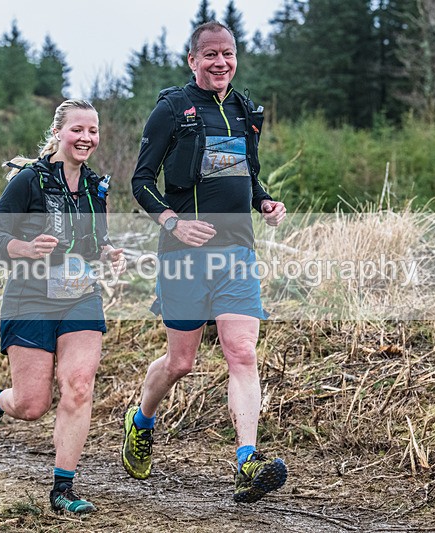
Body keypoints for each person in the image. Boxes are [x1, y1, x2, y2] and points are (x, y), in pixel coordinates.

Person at [122, 21, 288, 504]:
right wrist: (173, 223)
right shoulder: (172, 109)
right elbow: (141, 182)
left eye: (227, 54)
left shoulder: (245, 110)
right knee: (181, 362)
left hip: (238, 253)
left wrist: (264, 202)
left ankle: (247, 461)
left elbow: (247, 174)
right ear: (192, 60)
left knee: (243, 353)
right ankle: (141, 421)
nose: (221, 62)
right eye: (210, 54)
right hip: (184, 256)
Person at [0, 99, 124, 515]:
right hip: (31, 297)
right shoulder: (29, 181)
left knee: (79, 386)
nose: (86, 138)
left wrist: (108, 251)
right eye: (78, 129)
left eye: (93, 130)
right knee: (32, 405)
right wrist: (25, 247)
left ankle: (62, 489)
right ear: (58, 133)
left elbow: (94, 240)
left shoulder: (95, 187)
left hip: (80, 295)